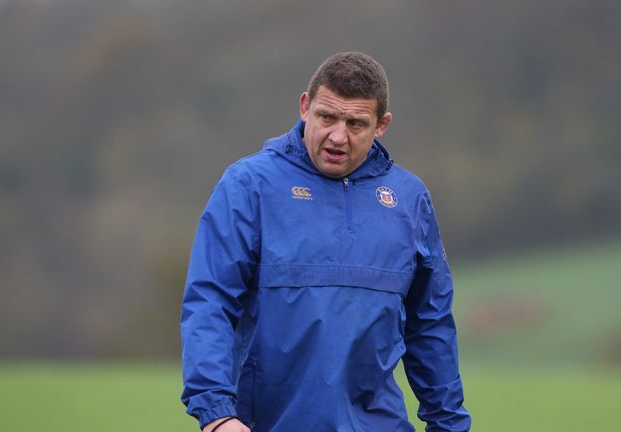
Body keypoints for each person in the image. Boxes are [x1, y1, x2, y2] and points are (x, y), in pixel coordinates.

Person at [181, 52, 471, 432]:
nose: (338, 136)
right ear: (305, 106)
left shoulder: (409, 199)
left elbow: (430, 324)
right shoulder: (249, 185)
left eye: (355, 123)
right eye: (327, 117)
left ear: (381, 125)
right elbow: (210, 301)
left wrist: (449, 424)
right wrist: (216, 413)